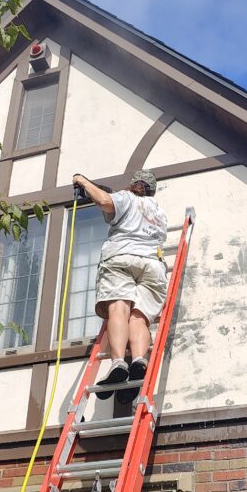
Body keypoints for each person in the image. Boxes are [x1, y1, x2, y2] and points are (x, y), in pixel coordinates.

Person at [72, 170, 168, 402]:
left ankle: (117, 364)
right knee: (139, 317)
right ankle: (138, 361)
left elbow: (105, 201)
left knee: (119, 308)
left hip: (121, 257)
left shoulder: (126, 198)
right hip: (152, 265)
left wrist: (83, 181)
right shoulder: (159, 213)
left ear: (134, 185)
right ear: (152, 191)